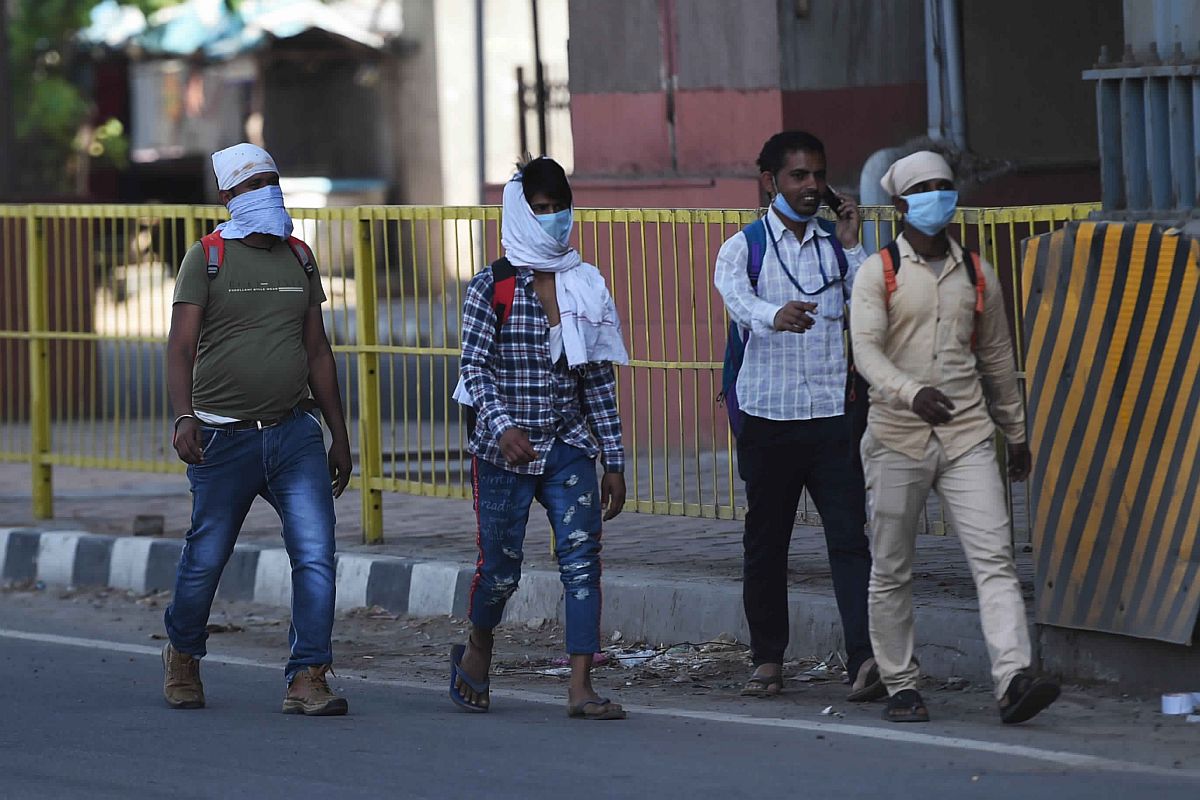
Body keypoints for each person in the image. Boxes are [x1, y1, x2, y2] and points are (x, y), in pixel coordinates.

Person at [850, 150, 1060, 724]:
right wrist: (909, 391)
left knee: (995, 560)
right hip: (897, 438)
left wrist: (1015, 432)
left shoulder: (977, 271)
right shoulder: (878, 272)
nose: (936, 196)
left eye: (943, 185)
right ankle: (901, 685)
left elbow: (997, 358)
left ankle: (1013, 679)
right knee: (892, 568)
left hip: (968, 436)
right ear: (899, 205)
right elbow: (865, 350)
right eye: (923, 188)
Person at [163, 143, 352, 716]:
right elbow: (181, 346)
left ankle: (308, 676)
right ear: (227, 196)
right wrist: (183, 415)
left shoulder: (299, 256)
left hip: (294, 433)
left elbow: (317, 350)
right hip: (224, 437)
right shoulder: (207, 257)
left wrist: (339, 434)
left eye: (270, 181)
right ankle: (183, 653)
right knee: (207, 556)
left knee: (316, 553)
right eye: (250, 185)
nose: (265, 192)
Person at [449, 156, 629, 720]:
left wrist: (614, 460)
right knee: (500, 571)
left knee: (582, 561)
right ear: (520, 213)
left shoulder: (586, 283)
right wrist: (502, 427)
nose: (552, 218)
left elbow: (598, 378)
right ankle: (479, 644)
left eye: (559, 208)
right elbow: (474, 368)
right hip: (502, 454)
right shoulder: (493, 286)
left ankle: (580, 687)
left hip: (568, 446)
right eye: (541, 209)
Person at [714, 131, 883, 702]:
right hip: (769, 418)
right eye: (798, 176)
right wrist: (773, 315)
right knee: (767, 543)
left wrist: (853, 244)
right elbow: (738, 301)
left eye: (818, 175)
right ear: (770, 182)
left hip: (833, 416)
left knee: (850, 540)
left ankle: (864, 659)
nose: (811, 186)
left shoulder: (836, 247)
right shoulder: (743, 247)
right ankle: (767, 659)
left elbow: (870, 304)